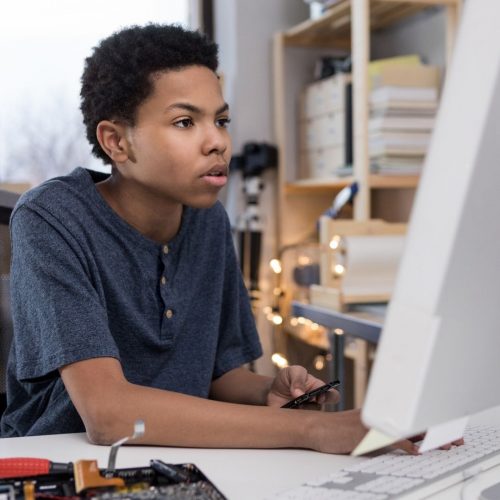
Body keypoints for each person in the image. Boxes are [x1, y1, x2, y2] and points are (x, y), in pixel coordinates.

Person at [0, 23, 428, 455]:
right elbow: (109, 414)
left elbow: (220, 377)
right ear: (116, 142)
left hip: (181, 458)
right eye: (185, 122)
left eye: (221, 120)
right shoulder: (51, 218)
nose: (218, 141)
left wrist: (268, 392)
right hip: (60, 464)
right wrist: (315, 431)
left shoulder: (210, 221)